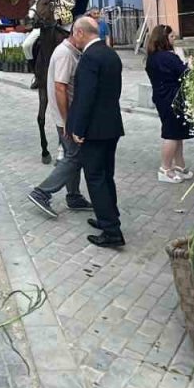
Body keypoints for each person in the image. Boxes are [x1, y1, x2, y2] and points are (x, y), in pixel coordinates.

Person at [27, 17, 96, 217]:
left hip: (67, 115)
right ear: (77, 34)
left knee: (72, 155)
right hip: (67, 117)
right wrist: (67, 121)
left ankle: (73, 196)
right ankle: (41, 192)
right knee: (75, 157)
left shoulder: (70, 51)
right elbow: (60, 88)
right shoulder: (66, 54)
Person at [68, 16, 126, 248]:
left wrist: (78, 128)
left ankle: (112, 231)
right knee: (106, 175)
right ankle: (109, 217)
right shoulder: (111, 54)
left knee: (95, 177)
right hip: (111, 124)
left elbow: (86, 96)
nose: (74, 39)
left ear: (81, 33)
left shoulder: (90, 57)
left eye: (74, 34)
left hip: (94, 128)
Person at [23, 0, 89, 87]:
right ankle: (37, 75)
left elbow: (80, 9)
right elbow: (40, 2)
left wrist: (62, 18)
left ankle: (82, 75)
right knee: (27, 45)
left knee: (83, 49)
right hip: (47, 22)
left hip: (68, 22)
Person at [144, 25, 194, 183]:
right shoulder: (168, 57)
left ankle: (179, 165)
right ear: (164, 39)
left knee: (177, 132)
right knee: (172, 134)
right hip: (171, 97)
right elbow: (185, 74)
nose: (174, 40)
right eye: (172, 37)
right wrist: (189, 64)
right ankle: (165, 168)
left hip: (163, 96)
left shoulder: (153, 57)